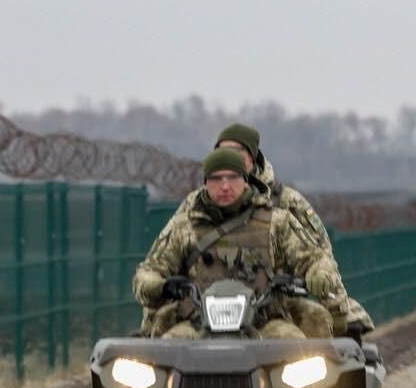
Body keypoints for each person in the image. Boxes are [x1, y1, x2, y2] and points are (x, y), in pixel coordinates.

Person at [157, 122, 374, 341]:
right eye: (222, 152)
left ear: (252, 156)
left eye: (237, 151)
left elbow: (318, 256)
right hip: (207, 304)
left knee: (313, 334)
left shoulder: (285, 202)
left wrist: (330, 301)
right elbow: (162, 259)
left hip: (274, 302)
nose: (225, 186)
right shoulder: (196, 205)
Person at [133, 148, 342, 340]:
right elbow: (149, 271)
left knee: (293, 348)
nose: (225, 186)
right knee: (168, 350)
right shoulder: (184, 226)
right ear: (205, 182)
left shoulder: (277, 222)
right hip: (196, 323)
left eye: (232, 178)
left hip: (266, 322)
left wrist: (319, 275)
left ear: (246, 180)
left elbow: (316, 259)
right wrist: (160, 285)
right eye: (216, 179)